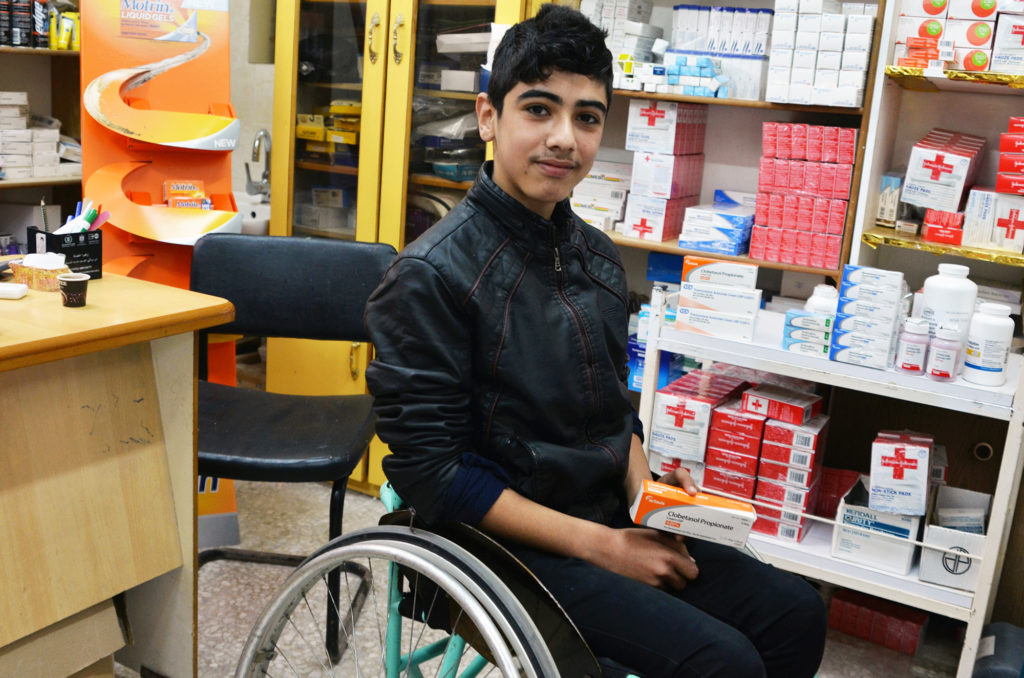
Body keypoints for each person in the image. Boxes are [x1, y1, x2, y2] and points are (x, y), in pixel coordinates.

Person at [364, 6, 827, 676]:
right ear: (490, 117)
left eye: (586, 117)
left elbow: (614, 409)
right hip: (489, 547)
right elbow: (436, 477)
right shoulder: (429, 277)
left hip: (600, 512)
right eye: (539, 109)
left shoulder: (602, 261)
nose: (563, 138)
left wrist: (652, 490)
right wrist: (606, 550)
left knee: (795, 613)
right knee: (720, 663)